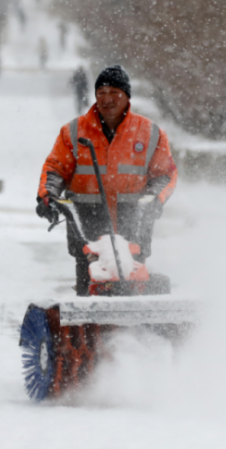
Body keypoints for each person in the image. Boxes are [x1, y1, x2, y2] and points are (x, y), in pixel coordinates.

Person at [36, 65, 178, 295]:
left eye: (114, 93)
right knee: (88, 284)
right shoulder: (73, 131)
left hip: (133, 221)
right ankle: (87, 325)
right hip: (86, 221)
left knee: (132, 282)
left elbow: (165, 174)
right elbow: (55, 169)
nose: (107, 99)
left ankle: (137, 328)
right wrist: (48, 196)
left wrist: (154, 200)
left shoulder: (150, 133)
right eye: (101, 93)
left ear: (127, 96)